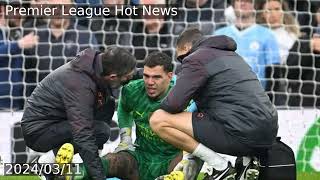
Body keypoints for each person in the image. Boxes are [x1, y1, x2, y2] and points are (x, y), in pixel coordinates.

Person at [149, 27, 279, 180]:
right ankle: (245, 164)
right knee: (197, 121)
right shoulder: (233, 56)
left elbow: (172, 105)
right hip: (267, 133)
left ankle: (220, 167)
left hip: (241, 132)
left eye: (180, 58)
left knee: (158, 119)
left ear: (186, 48)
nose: (182, 63)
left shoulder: (195, 58)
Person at [21, 47, 137, 180]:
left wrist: (160, 73)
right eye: (127, 78)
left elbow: (133, 74)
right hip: (38, 131)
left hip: (58, 122)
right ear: (113, 77)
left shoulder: (96, 66)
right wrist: (98, 176)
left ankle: (74, 166)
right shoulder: (80, 86)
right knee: (100, 131)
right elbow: (83, 134)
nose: (129, 80)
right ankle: (46, 162)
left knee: (107, 104)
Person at [76, 52, 183, 180]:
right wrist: (126, 137)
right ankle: (63, 172)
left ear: (170, 76)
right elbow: (124, 108)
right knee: (112, 160)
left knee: (185, 167)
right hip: (140, 157)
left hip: (172, 159)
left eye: (156, 77)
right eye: (146, 76)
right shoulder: (132, 90)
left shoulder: (183, 98)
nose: (150, 82)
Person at [214, 0, 280, 89]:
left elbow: (274, 73)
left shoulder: (268, 35)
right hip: (224, 95)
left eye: (248, 1)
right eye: (238, 0)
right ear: (233, 4)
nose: (243, 3)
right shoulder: (218, 35)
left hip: (256, 98)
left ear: (255, 4)